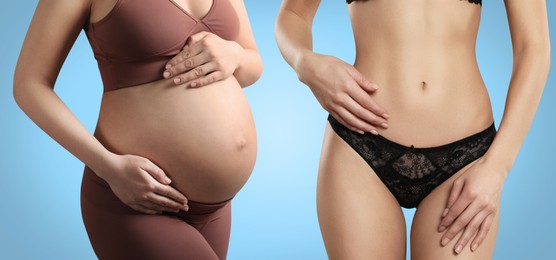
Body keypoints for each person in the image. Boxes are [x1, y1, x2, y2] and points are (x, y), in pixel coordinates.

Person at [275, 0, 550, 259]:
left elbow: (534, 47)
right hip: (358, 147)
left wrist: (497, 168)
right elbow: (293, 15)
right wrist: (306, 64)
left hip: (465, 159)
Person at [13, 0, 262, 259]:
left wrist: (235, 54)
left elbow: (252, 64)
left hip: (216, 210)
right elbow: (29, 85)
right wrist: (107, 166)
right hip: (134, 200)